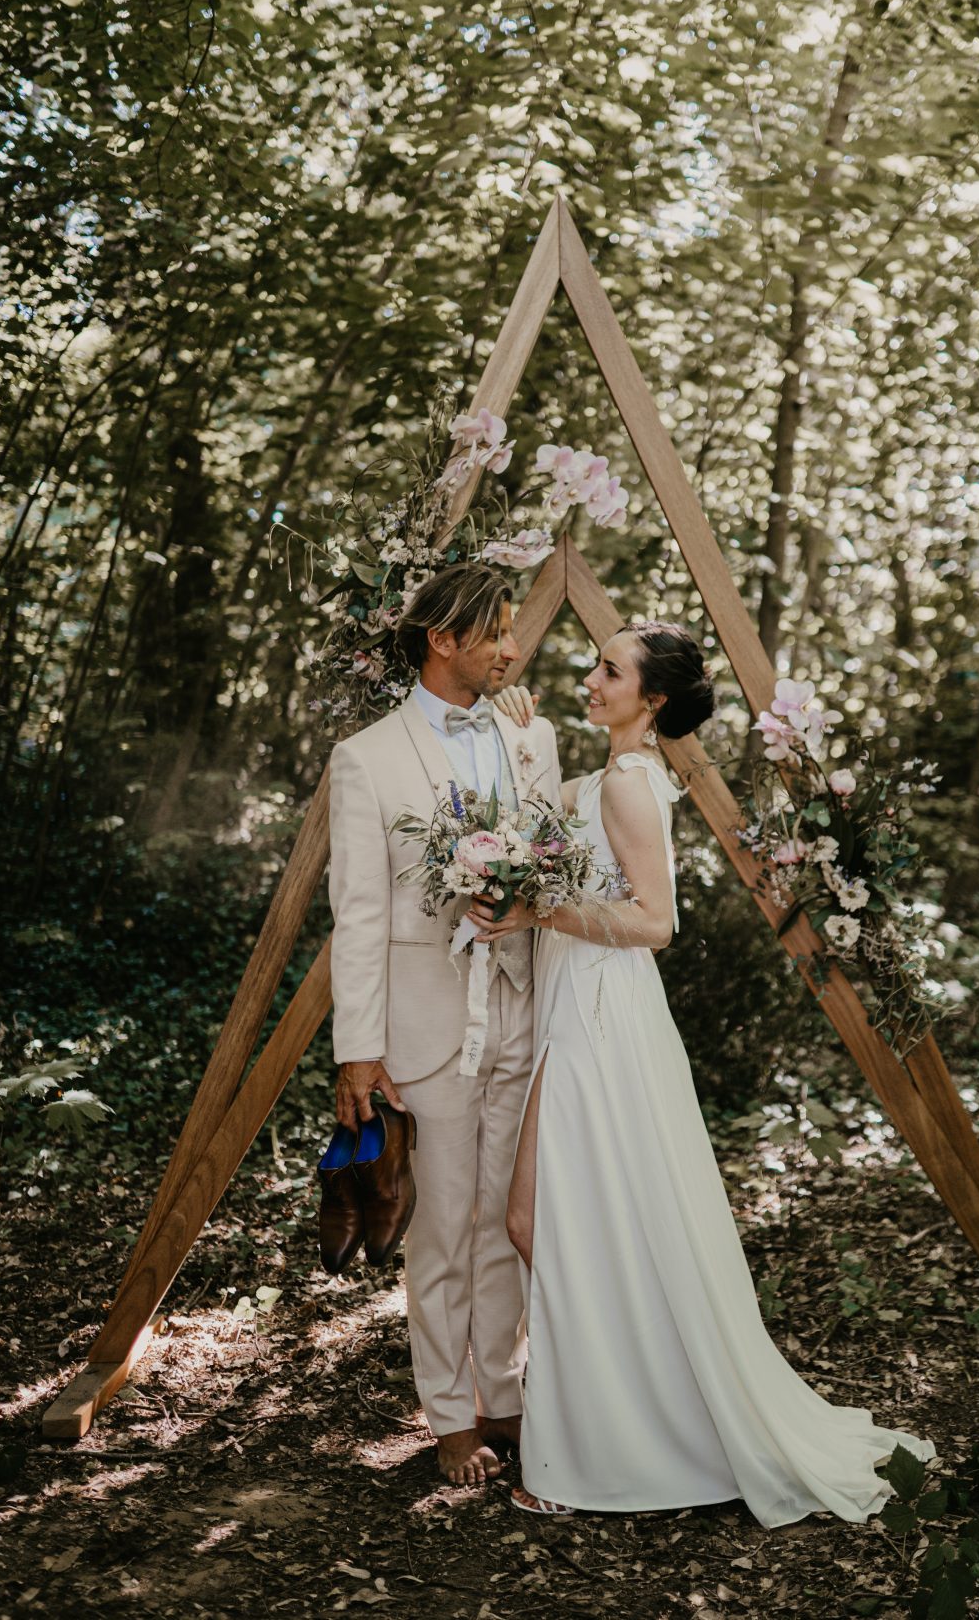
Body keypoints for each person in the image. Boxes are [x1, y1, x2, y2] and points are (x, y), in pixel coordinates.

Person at [474, 622, 936, 1526]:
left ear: (652, 701)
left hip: (603, 1019)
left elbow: (656, 923)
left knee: (543, 1221)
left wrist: (540, 909)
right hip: (579, 1013)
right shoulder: (616, 774)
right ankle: (631, 1418)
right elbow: (548, 819)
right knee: (547, 1221)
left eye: (611, 671)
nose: (591, 677)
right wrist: (512, 729)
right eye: (597, 663)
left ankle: (597, 1450)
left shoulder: (629, 784)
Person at [328, 563, 562, 1488]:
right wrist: (358, 1050)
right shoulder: (367, 758)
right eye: (496, 633)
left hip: (521, 1012)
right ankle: (449, 1413)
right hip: (425, 1028)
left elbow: (556, 855)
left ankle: (504, 1393)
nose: (512, 650)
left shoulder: (532, 736)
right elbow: (357, 914)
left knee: (507, 1219)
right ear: (443, 640)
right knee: (441, 1226)